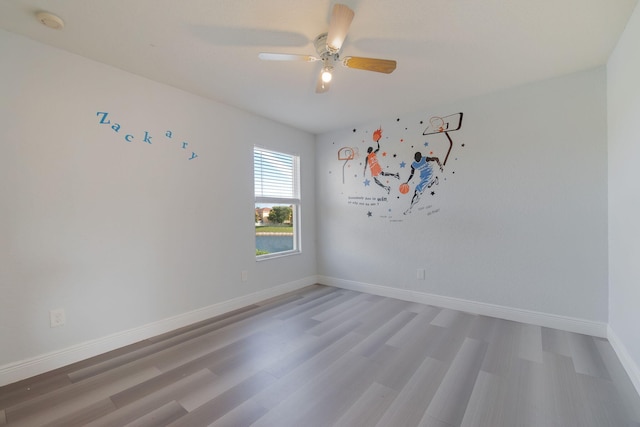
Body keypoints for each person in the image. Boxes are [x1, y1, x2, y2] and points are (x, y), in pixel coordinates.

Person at [364, 128, 399, 193]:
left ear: (369, 150)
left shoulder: (371, 154)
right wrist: (377, 142)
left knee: (379, 177)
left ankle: (387, 186)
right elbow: (365, 165)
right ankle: (393, 177)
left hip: (374, 167)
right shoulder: (370, 155)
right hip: (374, 167)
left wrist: (378, 142)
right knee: (381, 176)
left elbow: (378, 148)